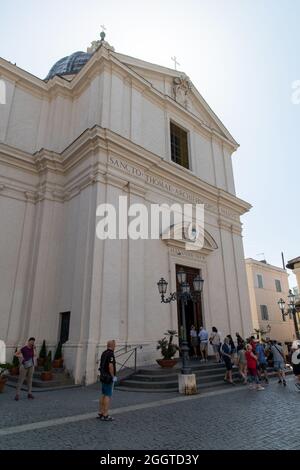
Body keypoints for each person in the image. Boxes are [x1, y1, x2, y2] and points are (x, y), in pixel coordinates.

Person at [98, 340, 117, 422]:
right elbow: (110, 366)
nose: (115, 347)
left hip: (102, 376)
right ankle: (105, 414)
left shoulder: (104, 353)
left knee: (103, 394)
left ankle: (101, 412)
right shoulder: (111, 354)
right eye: (115, 345)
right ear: (112, 346)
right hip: (108, 377)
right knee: (107, 395)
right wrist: (113, 376)